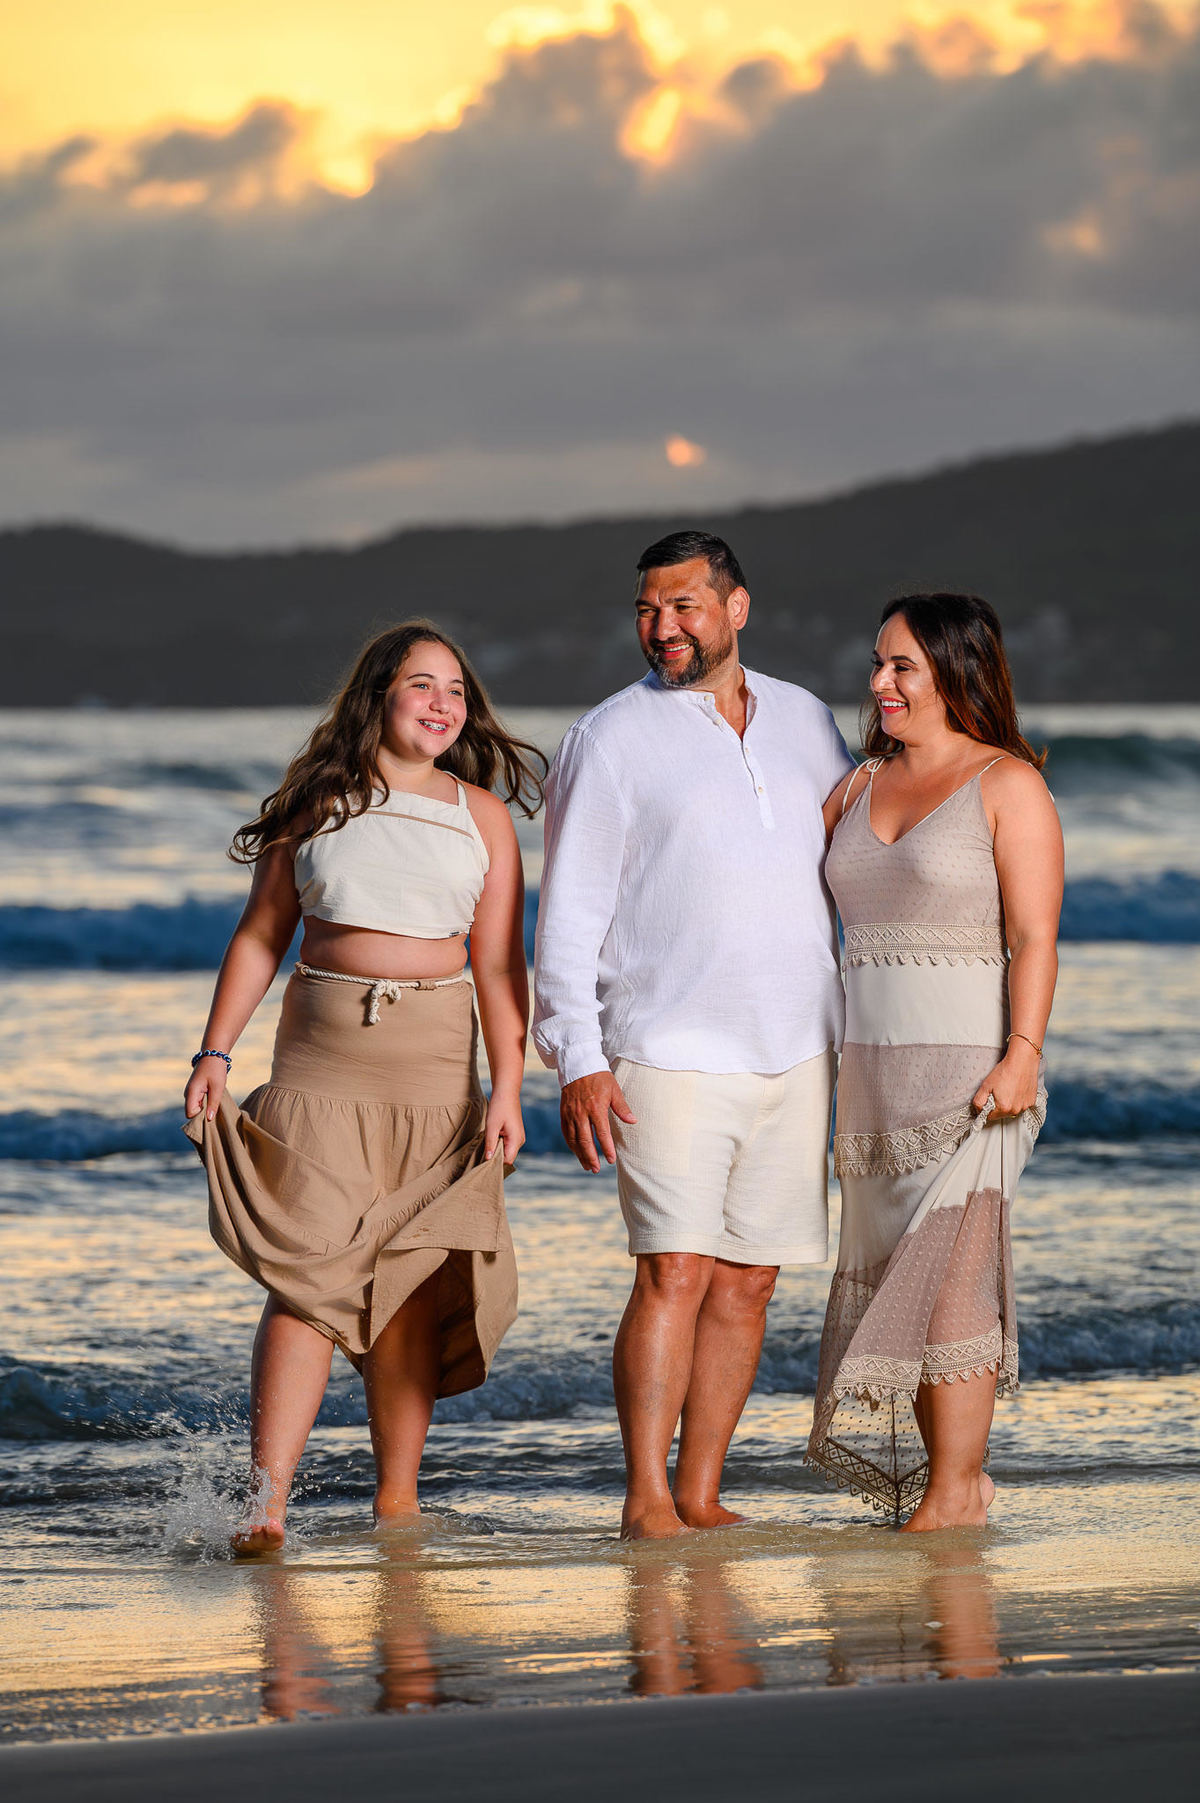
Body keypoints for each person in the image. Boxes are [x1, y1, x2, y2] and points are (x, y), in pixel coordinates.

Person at [184, 621, 544, 1554]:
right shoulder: (318, 802)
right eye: (421, 684)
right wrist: (214, 1053)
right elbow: (263, 934)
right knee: (304, 1281)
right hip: (318, 1070)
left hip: (435, 1075)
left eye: (456, 691)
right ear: (378, 695)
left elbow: (502, 968)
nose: (441, 703)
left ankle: (397, 1499)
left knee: (411, 1286)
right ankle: (267, 1504)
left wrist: (509, 1089)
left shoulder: (483, 816)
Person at [534, 530, 854, 1540]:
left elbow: (867, 844)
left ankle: (702, 1490)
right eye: (646, 610)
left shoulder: (807, 720)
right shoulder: (610, 740)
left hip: (800, 1048)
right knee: (673, 1267)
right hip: (665, 1051)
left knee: (751, 1281)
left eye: (683, 607)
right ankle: (644, 1497)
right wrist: (578, 1057)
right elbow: (570, 914)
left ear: (736, 609)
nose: (662, 628)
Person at [806, 593, 1062, 1529]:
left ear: (956, 671)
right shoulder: (854, 788)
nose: (879, 683)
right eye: (878, 662)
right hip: (869, 1074)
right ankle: (956, 1486)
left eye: (901, 666)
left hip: (974, 1074)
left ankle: (953, 1490)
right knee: (899, 1273)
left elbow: (1036, 937)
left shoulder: (1006, 784)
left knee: (952, 1273)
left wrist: (1023, 1054)